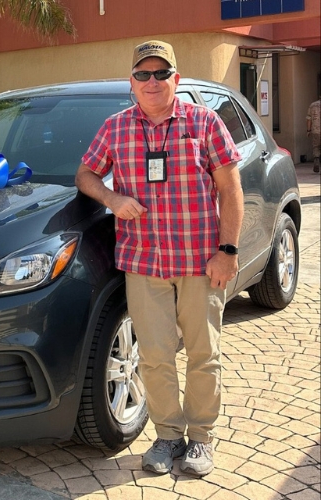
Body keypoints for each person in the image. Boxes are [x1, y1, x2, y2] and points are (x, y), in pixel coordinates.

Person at [75, 40, 244, 477]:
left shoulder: (204, 123)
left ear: (176, 79)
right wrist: (112, 197)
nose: (152, 82)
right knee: (153, 356)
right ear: (132, 82)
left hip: (200, 261)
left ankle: (202, 438)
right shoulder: (115, 128)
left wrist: (227, 251)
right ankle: (168, 435)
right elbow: (86, 174)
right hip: (143, 262)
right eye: (143, 74)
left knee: (204, 353)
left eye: (161, 73)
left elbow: (230, 190)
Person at [306, 97, 320, 173]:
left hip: (316, 130)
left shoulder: (313, 105)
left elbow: (309, 119)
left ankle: (316, 160)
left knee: (316, 147)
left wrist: (308, 130)